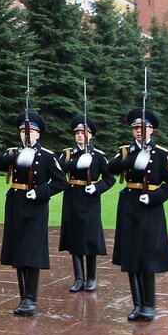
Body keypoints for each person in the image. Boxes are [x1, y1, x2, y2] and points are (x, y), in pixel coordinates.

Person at [0, 110, 67, 316]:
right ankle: (23, 296)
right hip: (15, 205)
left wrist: (41, 192)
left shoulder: (47, 156)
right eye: (23, 131)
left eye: (30, 131)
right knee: (18, 251)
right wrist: (15, 154)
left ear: (38, 134)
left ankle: (31, 299)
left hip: (35, 208)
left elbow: (62, 182)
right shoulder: (14, 153)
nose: (26, 135)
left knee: (31, 251)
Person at [107, 107, 168, 321]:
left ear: (151, 130)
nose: (139, 131)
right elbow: (111, 169)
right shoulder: (125, 152)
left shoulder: (162, 154)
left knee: (147, 255)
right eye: (136, 128)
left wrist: (155, 196)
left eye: (143, 128)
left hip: (150, 208)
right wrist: (132, 158)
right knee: (131, 255)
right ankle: (137, 304)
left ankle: (149, 304)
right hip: (129, 206)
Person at [58, 116, 113, 292]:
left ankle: (91, 278)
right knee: (74, 238)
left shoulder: (98, 156)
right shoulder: (68, 154)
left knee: (89, 238)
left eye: (84, 133)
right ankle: (79, 278)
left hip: (90, 199)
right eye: (78, 133)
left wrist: (97, 187)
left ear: (91, 136)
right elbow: (58, 173)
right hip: (73, 198)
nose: (80, 136)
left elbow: (110, 179)